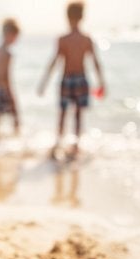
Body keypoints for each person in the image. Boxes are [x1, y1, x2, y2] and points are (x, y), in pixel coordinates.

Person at [38, 1, 105, 157]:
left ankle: (59, 143)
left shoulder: (63, 39)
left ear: (67, 17)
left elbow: (54, 61)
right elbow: (95, 62)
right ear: (82, 17)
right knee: (78, 114)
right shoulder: (86, 39)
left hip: (67, 78)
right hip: (81, 79)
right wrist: (102, 82)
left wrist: (44, 82)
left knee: (62, 113)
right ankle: (75, 146)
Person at [0, 18, 20, 139]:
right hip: (4, 89)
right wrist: (11, 94)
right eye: (15, 36)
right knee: (15, 117)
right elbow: (6, 76)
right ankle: (19, 142)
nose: (16, 40)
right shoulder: (8, 54)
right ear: (10, 35)